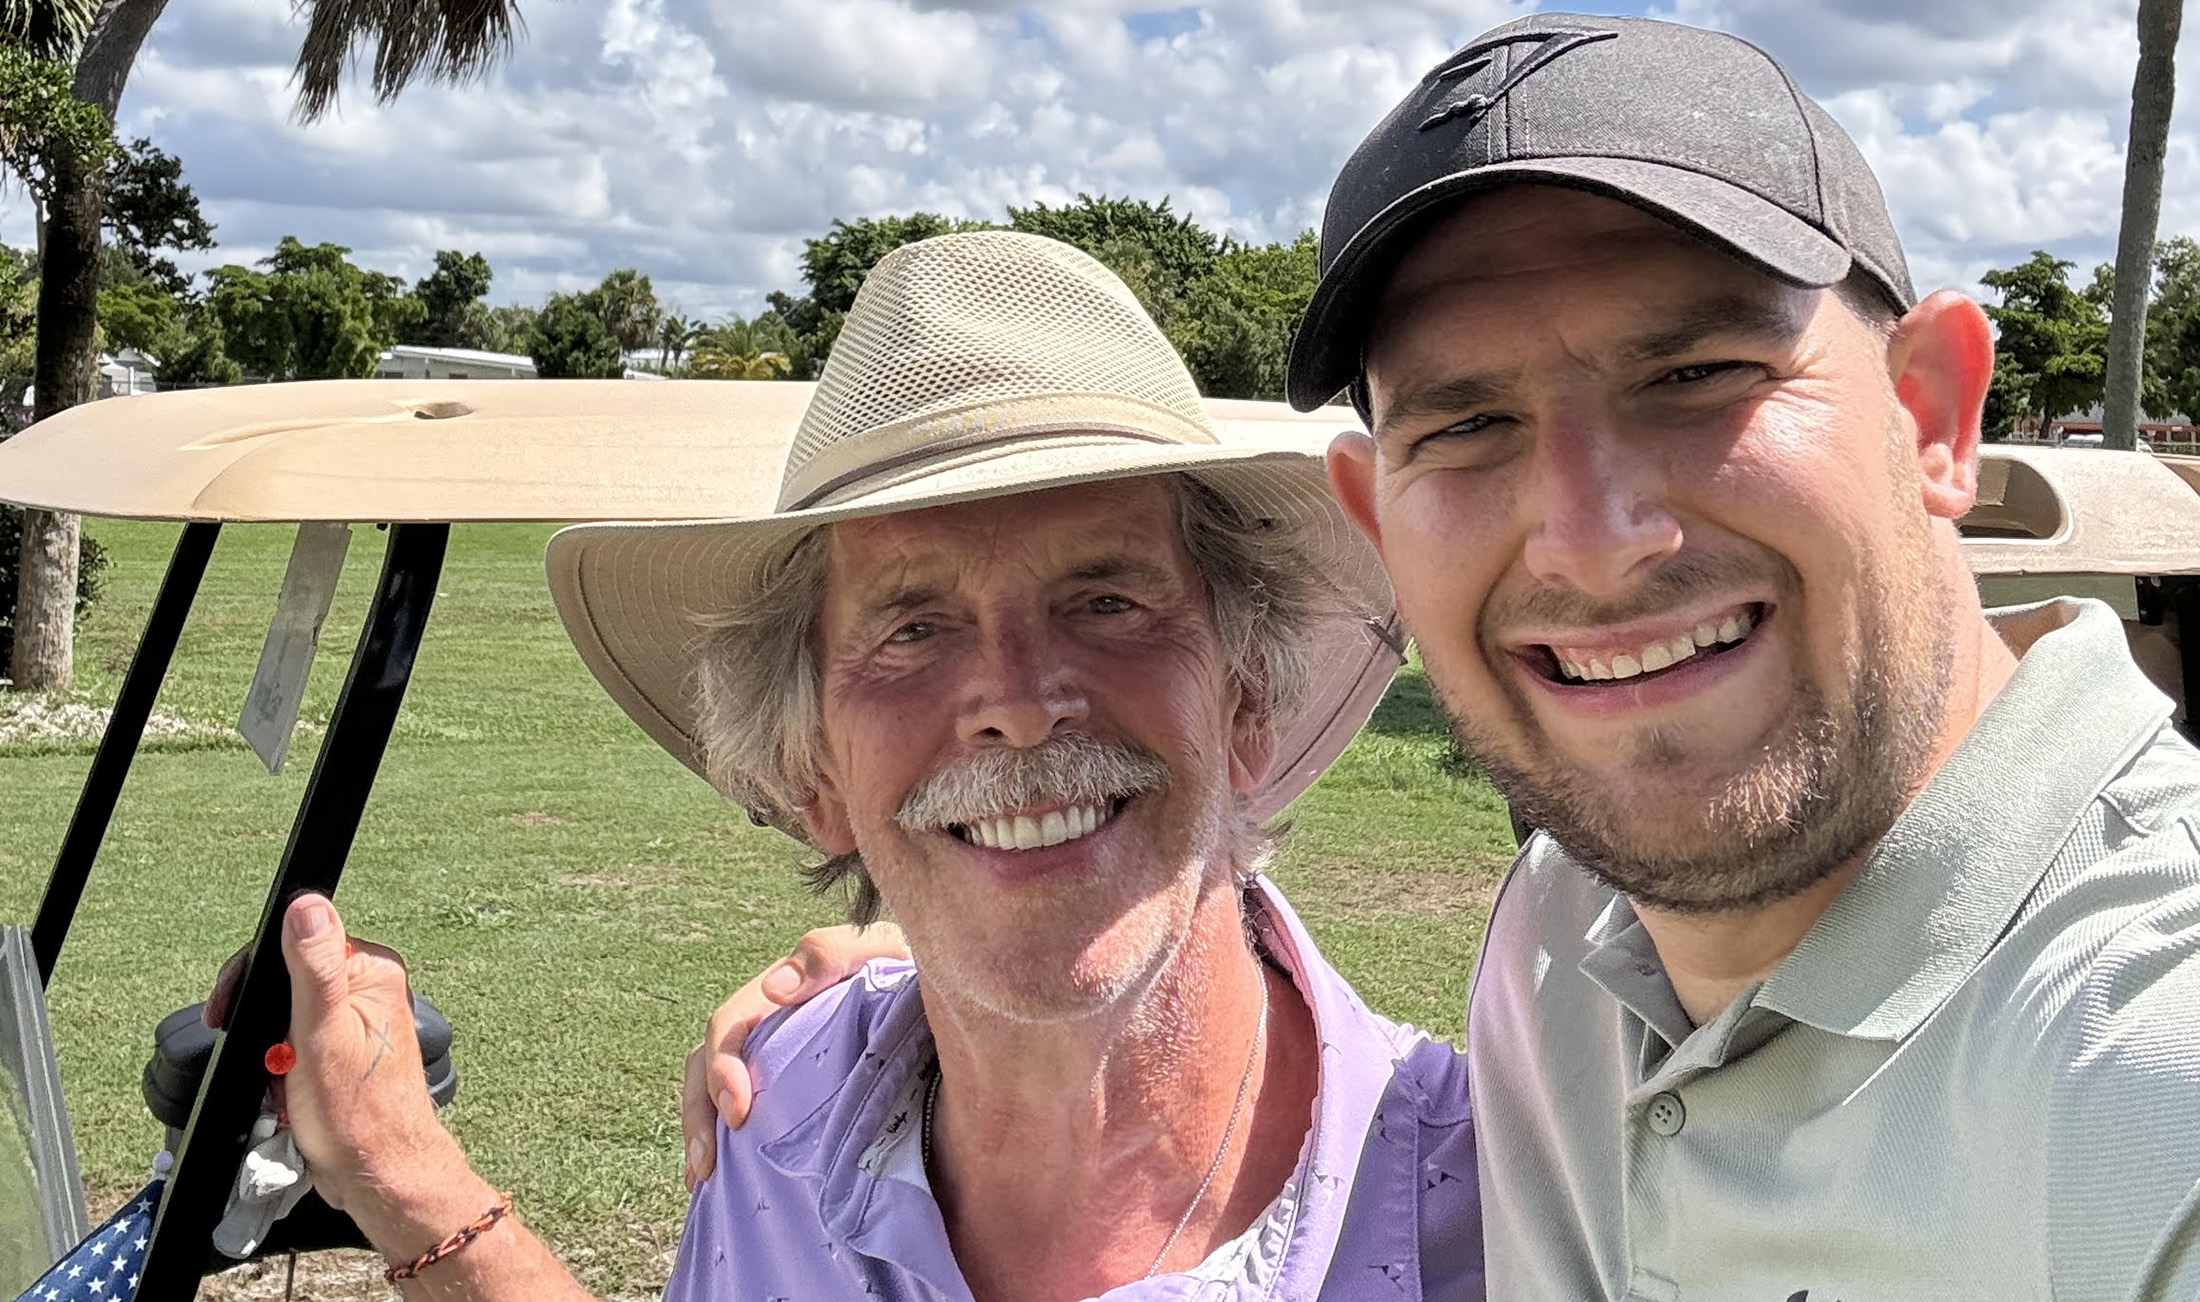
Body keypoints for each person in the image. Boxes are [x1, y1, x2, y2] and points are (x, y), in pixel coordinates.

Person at [696, 13, 2200, 1300]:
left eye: (1700, 372)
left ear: (1933, 412)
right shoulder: (1570, 947)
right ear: (1382, 518)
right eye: (1468, 422)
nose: (1593, 538)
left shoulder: (2151, 1064)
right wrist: (968, 946)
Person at [250, 231, 1483, 1301]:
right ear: (815, 776)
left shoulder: (1510, 1210)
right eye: (911, 628)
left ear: (1248, 703)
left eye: (1106, 600)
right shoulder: (776, 1105)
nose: (1014, 702)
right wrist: (412, 1184)